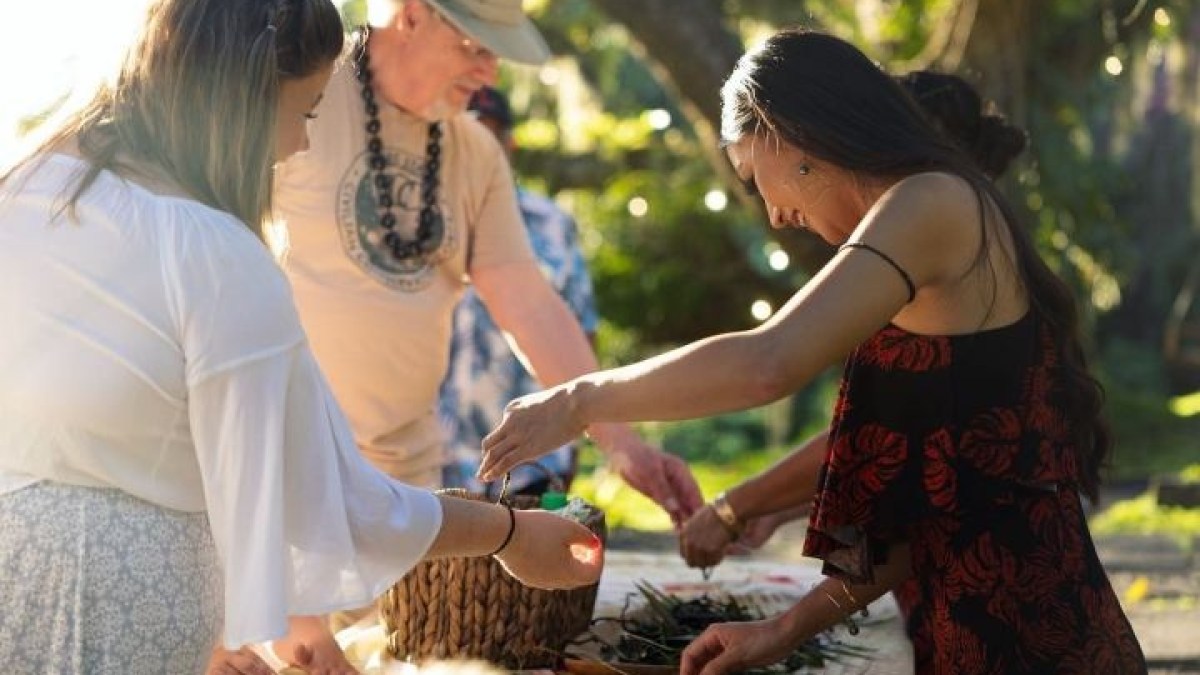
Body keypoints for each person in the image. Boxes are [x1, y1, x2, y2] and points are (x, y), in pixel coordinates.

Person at [479, 28, 1147, 675]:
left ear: (792, 134)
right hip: (981, 634)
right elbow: (924, 507)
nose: (772, 214)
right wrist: (781, 626)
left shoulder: (931, 201)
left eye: (753, 177)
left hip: (1032, 641)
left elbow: (768, 361)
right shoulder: (926, 211)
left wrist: (579, 398)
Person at [0, 1, 601, 673]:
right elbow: (330, 498)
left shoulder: (25, 187)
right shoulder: (214, 252)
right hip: (119, 615)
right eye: (305, 112)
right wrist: (510, 533)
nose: (301, 145)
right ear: (242, 101)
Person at [270, 0, 700, 669]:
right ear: (409, 15)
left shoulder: (473, 151)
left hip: (399, 491)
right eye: (475, 45)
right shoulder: (295, 104)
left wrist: (622, 440)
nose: (491, 68)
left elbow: (528, 304)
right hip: (281, 480)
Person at [673, 66, 1033, 614]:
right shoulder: (961, 235)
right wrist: (781, 507)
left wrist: (734, 507)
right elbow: (890, 440)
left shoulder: (931, 222)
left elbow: (769, 364)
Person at [438, 85, 597, 497]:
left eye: (492, 136)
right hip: (441, 454)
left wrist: (584, 429)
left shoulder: (551, 223)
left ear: (511, 144)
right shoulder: (421, 219)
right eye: (470, 136)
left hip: (534, 451)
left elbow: (583, 326)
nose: (482, 149)